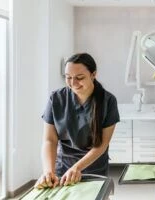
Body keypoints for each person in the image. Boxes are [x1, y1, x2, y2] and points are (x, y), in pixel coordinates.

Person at [34, 53, 120, 189]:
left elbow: (102, 144)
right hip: (63, 168)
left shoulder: (108, 101)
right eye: (68, 77)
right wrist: (48, 171)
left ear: (93, 74)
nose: (73, 83)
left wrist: (77, 167)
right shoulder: (56, 99)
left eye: (79, 78)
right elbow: (49, 140)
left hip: (95, 168)